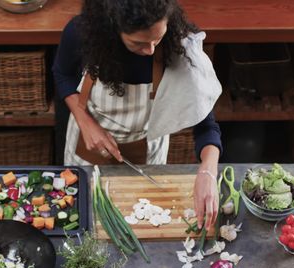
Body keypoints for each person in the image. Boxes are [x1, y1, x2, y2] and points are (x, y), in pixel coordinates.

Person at [53, 0, 223, 230]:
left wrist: (208, 171)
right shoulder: (82, 32)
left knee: (143, 219)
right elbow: (63, 74)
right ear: (113, 25)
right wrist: (85, 122)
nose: (150, 50)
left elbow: (206, 123)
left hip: (148, 151)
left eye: (157, 39)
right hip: (87, 145)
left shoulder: (178, 43)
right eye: (139, 43)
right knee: (86, 222)